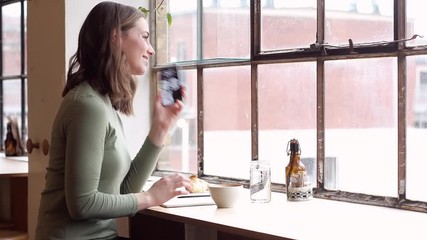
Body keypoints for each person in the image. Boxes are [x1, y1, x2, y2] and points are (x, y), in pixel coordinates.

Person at [35, 2, 192, 239]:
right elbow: (82, 205)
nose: (150, 49)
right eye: (145, 36)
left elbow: (124, 191)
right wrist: (150, 197)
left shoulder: (103, 103)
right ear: (116, 37)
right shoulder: (87, 105)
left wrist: (160, 128)